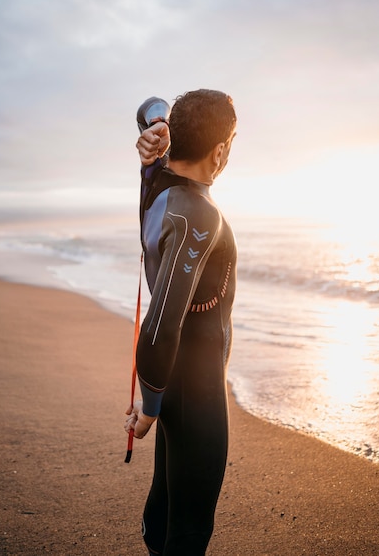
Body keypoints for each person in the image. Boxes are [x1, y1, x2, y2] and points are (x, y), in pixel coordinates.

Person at [125, 89, 237, 555]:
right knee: (188, 532)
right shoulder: (199, 215)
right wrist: (149, 408)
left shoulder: (156, 175)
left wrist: (155, 124)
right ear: (220, 151)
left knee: (163, 510)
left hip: (170, 384)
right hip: (196, 389)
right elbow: (160, 325)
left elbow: (148, 102)